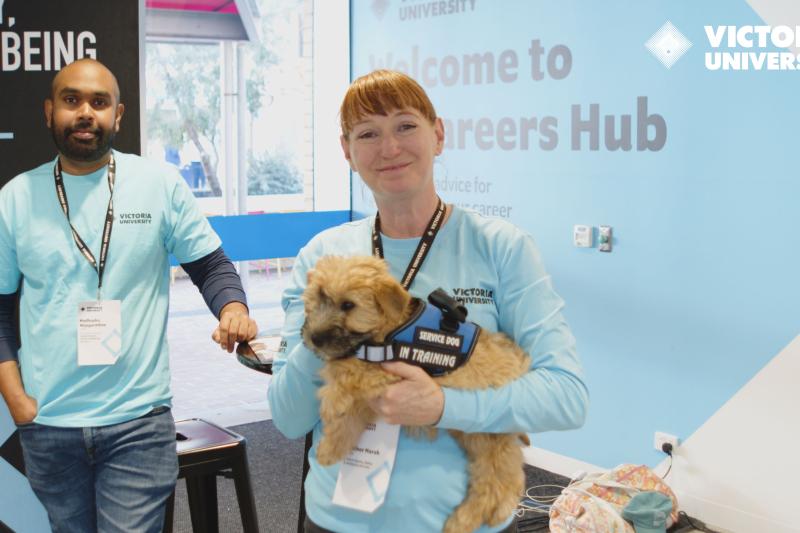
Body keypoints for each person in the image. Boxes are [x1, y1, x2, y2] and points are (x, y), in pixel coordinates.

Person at [268, 69, 588, 533]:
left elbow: (566, 396)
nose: (389, 148)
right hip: (338, 520)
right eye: (367, 133)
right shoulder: (323, 256)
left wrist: (442, 406)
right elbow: (287, 418)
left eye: (405, 126)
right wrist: (324, 334)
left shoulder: (502, 247)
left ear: (438, 135)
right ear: (347, 151)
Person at [0, 58, 258, 532]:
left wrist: (233, 308)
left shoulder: (158, 185)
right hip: (49, 424)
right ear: (49, 111)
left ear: (117, 116)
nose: (85, 112)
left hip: (138, 421)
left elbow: (211, 265)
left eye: (99, 102)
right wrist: (16, 398)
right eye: (72, 100)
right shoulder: (15, 198)